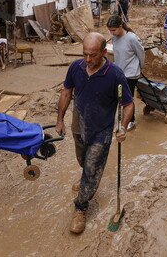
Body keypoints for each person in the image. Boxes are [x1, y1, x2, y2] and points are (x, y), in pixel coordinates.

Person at [55, 32, 133, 234]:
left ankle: (81, 207)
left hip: (102, 131)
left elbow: (128, 104)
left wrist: (122, 127)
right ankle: (86, 179)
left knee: (91, 167)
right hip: (79, 124)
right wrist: (59, 120)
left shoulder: (115, 74)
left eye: (93, 55)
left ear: (104, 52)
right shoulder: (76, 67)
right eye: (85, 54)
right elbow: (66, 92)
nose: (88, 60)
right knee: (82, 160)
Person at [107, 15, 144, 131]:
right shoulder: (114, 38)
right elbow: (116, 55)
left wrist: (140, 68)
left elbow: (141, 54)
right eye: (110, 31)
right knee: (118, 97)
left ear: (120, 26)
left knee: (128, 98)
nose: (112, 33)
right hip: (119, 72)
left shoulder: (132, 38)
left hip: (131, 74)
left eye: (114, 30)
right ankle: (121, 119)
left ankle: (131, 121)